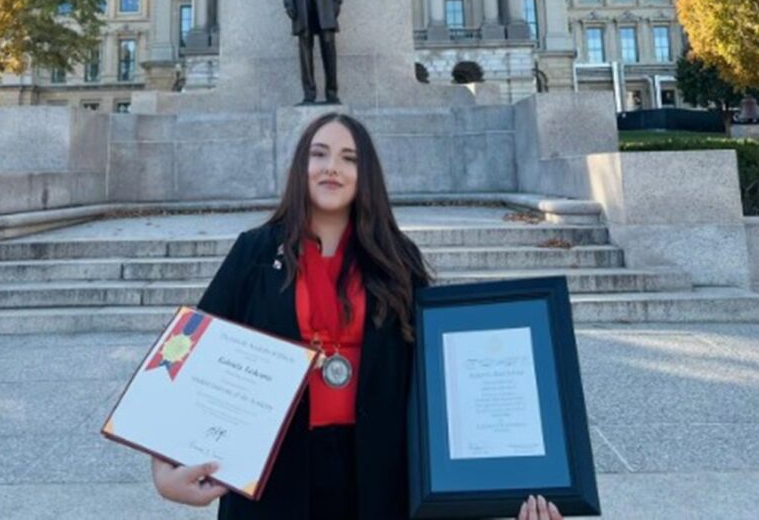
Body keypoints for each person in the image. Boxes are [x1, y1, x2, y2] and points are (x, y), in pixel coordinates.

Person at [151, 113, 563, 520]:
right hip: (274, 474)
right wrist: (163, 466)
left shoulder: (399, 260)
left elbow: (440, 381)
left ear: (366, 175)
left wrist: (513, 486)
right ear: (300, 167)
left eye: (349, 158)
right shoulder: (254, 251)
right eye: (319, 154)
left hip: (379, 472)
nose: (332, 167)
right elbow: (188, 351)